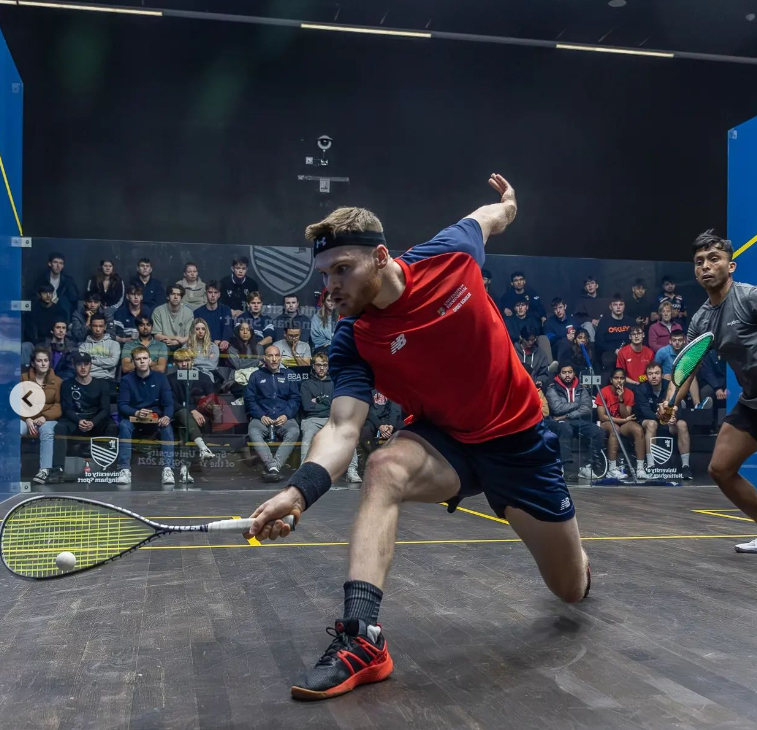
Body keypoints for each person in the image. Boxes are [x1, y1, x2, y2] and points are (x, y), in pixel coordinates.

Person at [243, 174, 590, 701]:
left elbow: (488, 218)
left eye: (342, 270)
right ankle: (363, 640)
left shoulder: (449, 254)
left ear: (380, 257)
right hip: (444, 441)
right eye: (324, 274)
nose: (329, 287)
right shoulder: (353, 339)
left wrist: (510, 205)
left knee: (570, 589)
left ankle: (582, 567)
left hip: (520, 443)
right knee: (383, 468)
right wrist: (298, 492)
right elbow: (342, 428)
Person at [668, 230, 757, 550]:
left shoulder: (749, 298)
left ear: (730, 266)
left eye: (714, 259)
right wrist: (670, 404)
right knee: (720, 468)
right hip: (752, 403)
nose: (706, 266)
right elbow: (686, 370)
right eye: (699, 262)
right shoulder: (701, 320)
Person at [48, 352, 118, 483]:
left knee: (112, 426)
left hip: (96, 420)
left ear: (91, 365)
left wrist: (93, 422)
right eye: (79, 364)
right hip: (76, 420)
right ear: (74, 366)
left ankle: (110, 468)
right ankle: (58, 470)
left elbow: (105, 410)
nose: (83, 367)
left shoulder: (102, 384)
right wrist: (79, 420)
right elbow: (67, 409)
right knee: (60, 427)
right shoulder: (67, 384)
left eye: (86, 364)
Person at [115, 346, 175, 486]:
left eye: (144, 358)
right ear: (134, 362)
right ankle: (124, 470)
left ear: (149, 360)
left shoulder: (161, 378)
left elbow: (168, 404)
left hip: (156, 418)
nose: (142, 362)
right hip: (135, 417)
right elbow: (122, 405)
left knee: (167, 427)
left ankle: (168, 469)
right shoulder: (126, 380)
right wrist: (135, 412)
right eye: (138, 359)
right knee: (124, 425)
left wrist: (166, 416)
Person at [300, 352, 361, 483]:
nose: (321, 368)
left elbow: (338, 404)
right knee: (308, 435)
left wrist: (318, 401)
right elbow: (307, 406)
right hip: (312, 419)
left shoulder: (335, 383)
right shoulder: (306, 384)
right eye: (318, 365)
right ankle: (303, 473)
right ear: (313, 366)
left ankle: (352, 471)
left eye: (324, 365)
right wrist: (327, 403)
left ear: (328, 367)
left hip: (333, 418)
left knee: (348, 433)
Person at [244, 345, 301, 482]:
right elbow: (249, 400)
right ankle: (272, 466)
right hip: (263, 418)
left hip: (284, 418)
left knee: (294, 431)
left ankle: (274, 466)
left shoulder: (289, 374)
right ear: (265, 358)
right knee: (253, 431)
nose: (274, 359)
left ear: (280, 357)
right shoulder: (256, 376)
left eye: (276, 355)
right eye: (270, 356)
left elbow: (295, 398)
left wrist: (286, 415)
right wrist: (260, 415)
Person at [545, 362, 604, 481]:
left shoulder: (581, 388)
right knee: (565, 428)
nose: (567, 375)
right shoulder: (552, 388)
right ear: (559, 374)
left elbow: (587, 408)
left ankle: (586, 466)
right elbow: (557, 408)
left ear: (574, 373)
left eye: (570, 372)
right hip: (558, 422)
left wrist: (568, 415)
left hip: (575, 420)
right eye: (564, 372)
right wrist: (578, 404)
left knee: (599, 432)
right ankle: (567, 468)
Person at [635, 361, 692, 480]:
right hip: (648, 421)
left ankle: (686, 467)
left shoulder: (669, 386)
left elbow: (678, 407)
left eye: (656, 373)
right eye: (650, 374)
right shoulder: (641, 389)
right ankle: (651, 466)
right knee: (652, 424)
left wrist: (673, 417)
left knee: (682, 424)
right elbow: (645, 412)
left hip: (667, 421)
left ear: (662, 375)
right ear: (646, 376)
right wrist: (663, 417)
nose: (654, 376)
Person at [167, 347, 215, 481]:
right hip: (177, 416)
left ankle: (184, 469)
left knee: (185, 427)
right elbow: (171, 403)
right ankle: (203, 448)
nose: (184, 364)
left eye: (187, 360)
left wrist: (196, 411)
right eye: (180, 361)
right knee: (183, 414)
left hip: (202, 418)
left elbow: (211, 402)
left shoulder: (204, 378)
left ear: (192, 361)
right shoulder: (170, 379)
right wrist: (192, 410)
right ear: (176, 363)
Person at [596, 367, 649, 480]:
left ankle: (640, 469)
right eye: (616, 378)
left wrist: (621, 399)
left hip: (623, 422)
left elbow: (626, 415)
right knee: (615, 429)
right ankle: (612, 469)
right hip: (606, 423)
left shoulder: (629, 393)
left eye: (622, 378)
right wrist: (622, 421)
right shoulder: (603, 391)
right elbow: (602, 416)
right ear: (611, 380)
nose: (619, 381)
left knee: (638, 430)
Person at [21, 346, 61, 484]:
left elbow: (58, 405)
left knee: (47, 430)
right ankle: (10, 468)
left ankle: (44, 470)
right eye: (39, 360)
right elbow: (18, 401)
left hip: (47, 419)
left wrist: (45, 417)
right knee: (15, 429)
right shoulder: (23, 379)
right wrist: (27, 418)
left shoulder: (57, 381)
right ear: (33, 363)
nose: (43, 363)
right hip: (27, 418)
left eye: (46, 360)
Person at [656, 329, 706, 408]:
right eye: (674, 340)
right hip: (667, 382)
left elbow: (695, 369)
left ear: (684, 341)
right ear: (670, 341)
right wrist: (663, 376)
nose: (677, 342)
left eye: (680, 340)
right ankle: (675, 403)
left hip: (684, 381)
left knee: (692, 377)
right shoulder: (662, 352)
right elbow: (654, 369)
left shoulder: (689, 352)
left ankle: (697, 405)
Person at [33, 252, 79, 320]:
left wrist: (55, 300)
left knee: (64, 300)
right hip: (44, 310)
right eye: (55, 262)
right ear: (49, 264)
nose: (58, 266)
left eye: (61, 263)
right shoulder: (42, 279)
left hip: (61, 312)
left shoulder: (68, 280)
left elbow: (74, 298)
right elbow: (35, 295)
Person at [594, 295, 635, 368]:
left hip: (628, 351)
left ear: (624, 306)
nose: (618, 307)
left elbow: (635, 339)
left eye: (621, 304)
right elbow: (599, 342)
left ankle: (639, 379)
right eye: (615, 305)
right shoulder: (604, 322)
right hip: (610, 353)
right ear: (610, 307)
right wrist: (614, 350)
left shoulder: (631, 321)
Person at [359, 389, 404, 455]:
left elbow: (395, 409)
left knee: (405, 431)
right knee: (365, 432)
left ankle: (398, 456)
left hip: (390, 419)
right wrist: (379, 425)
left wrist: (391, 425)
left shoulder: (394, 390)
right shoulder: (368, 390)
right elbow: (369, 410)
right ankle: (372, 455)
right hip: (374, 419)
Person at [194, 281, 234, 355]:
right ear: (206, 293)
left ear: (219, 294)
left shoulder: (225, 309)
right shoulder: (198, 312)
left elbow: (228, 327)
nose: (213, 295)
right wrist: (212, 342)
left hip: (223, 346)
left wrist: (225, 340)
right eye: (210, 292)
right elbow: (197, 333)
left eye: (215, 293)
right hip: (205, 347)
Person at [78, 314, 120, 381]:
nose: (97, 329)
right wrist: (105, 366)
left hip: (107, 379)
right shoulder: (83, 346)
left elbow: (113, 363)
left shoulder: (114, 344)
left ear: (105, 327)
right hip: (88, 379)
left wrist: (91, 361)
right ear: (90, 327)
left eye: (100, 326)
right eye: (95, 326)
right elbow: (83, 367)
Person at [152, 285, 194, 350]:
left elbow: (188, 336)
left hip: (183, 346)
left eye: (178, 294)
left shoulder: (188, 312)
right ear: (168, 296)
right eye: (173, 294)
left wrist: (175, 342)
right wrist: (176, 338)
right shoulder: (158, 311)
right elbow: (157, 336)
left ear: (181, 297)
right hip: (163, 345)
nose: (176, 297)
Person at [512, 325, 549, 390]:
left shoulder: (541, 354)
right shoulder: (513, 351)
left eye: (533, 340)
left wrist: (540, 380)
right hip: (515, 386)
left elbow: (544, 373)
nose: (530, 342)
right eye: (527, 340)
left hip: (534, 388)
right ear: (521, 337)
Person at [543, 297, 580, 363]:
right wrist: (566, 337)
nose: (558, 311)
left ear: (565, 307)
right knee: (564, 342)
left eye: (560, 307)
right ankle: (562, 367)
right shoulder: (549, 323)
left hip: (574, 347)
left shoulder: (573, 320)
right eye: (555, 309)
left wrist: (576, 336)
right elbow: (550, 339)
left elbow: (580, 331)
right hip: (556, 349)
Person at [575, 275, 608, 339]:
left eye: (592, 283)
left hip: (601, 325)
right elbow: (577, 318)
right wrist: (591, 320)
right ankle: (592, 347)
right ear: (585, 288)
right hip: (589, 327)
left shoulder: (603, 300)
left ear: (596, 285)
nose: (590, 286)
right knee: (588, 325)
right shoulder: (581, 301)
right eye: (587, 284)